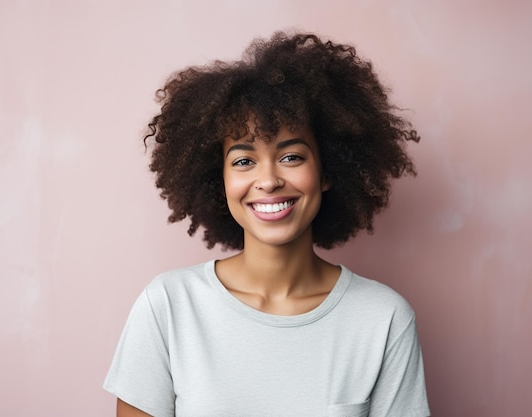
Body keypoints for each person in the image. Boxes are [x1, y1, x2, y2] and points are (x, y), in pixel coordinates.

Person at [104, 31, 430, 417]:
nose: (269, 180)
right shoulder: (169, 307)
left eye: (291, 156)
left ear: (327, 171)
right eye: (243, 161)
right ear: (218, 179)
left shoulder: (383, 320)